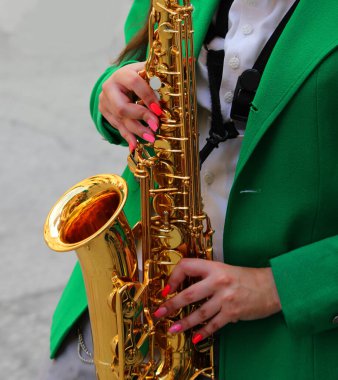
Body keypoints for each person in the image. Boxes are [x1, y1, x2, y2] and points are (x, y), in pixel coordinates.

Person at [44, 0, 338, 379]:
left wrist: (276, 287)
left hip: (280, 340)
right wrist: (111, 97)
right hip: (128, 301)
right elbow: (132, 69)